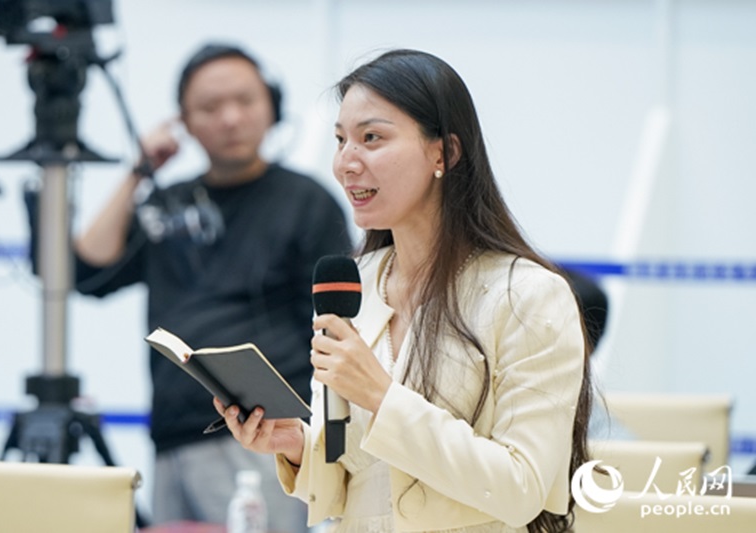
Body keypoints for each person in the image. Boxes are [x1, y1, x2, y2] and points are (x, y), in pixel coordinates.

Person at [214, 49, 594, 532]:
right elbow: (359, 479)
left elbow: (522, 489)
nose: (346, 163)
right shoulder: (351, 283)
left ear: (444, 153)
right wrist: (296, 447)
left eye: (371, 138)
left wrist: (381, 396)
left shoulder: (528, 296)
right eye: (340, 140)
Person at [72, 43, 352, 532]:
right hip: (172, 433)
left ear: (272, 106)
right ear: (185, 122)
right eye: (209, 107)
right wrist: (140, 171)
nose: (230, 118)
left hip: (263, 433)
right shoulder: (168, 202)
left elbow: (340, 324)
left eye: (245, 101)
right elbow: (88, 270)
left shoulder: (307, 201)